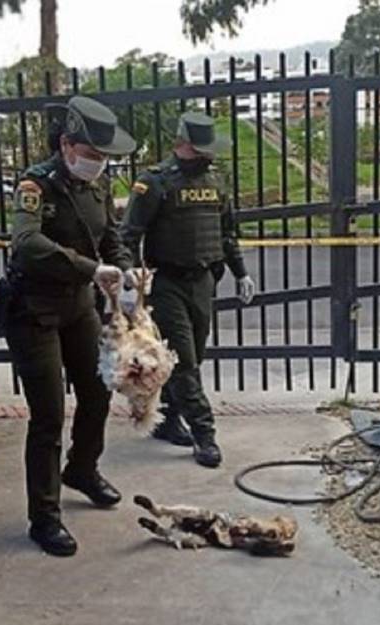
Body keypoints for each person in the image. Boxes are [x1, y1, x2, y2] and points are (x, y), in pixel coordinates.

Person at [5, 95, 136, 556]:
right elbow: (26, 243)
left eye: (104, 157)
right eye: (93, 155)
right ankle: (44, 517)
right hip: (34, 309)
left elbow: (111, 236)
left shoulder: (97, 187)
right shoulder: (34, 186)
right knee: (48, 416)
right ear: (67, 145)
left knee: (98, 391)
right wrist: (88, 268)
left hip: (78, 305)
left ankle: (82, 468)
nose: (99, 164)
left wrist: (125, 271)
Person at [120, 112, 256, 468]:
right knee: (185, 360)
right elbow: (129, 236)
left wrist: (240, 272)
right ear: (186, 144)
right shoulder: (155, 183)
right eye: (205, 148)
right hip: (167, 283)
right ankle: (204, 434)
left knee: (192, 354)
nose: (211, 155)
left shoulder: (216, 180)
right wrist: (131, 277)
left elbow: (226, 232)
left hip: (203, 281)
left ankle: (168, 420)